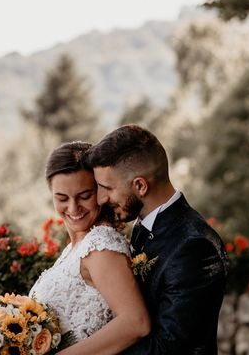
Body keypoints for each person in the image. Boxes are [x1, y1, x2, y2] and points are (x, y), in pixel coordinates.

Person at [85, 124, 228, 355]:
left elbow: (168, 348)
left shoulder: (194, 246)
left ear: (140, 185)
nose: (101, 199)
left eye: (107, 188)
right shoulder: (144, 225)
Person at [29, 141, 150, 355]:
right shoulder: (74, 249)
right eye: (62, 198)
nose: (74, 208)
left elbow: (135, 322)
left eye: (85, 196)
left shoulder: (100, 245)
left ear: (100, 191)